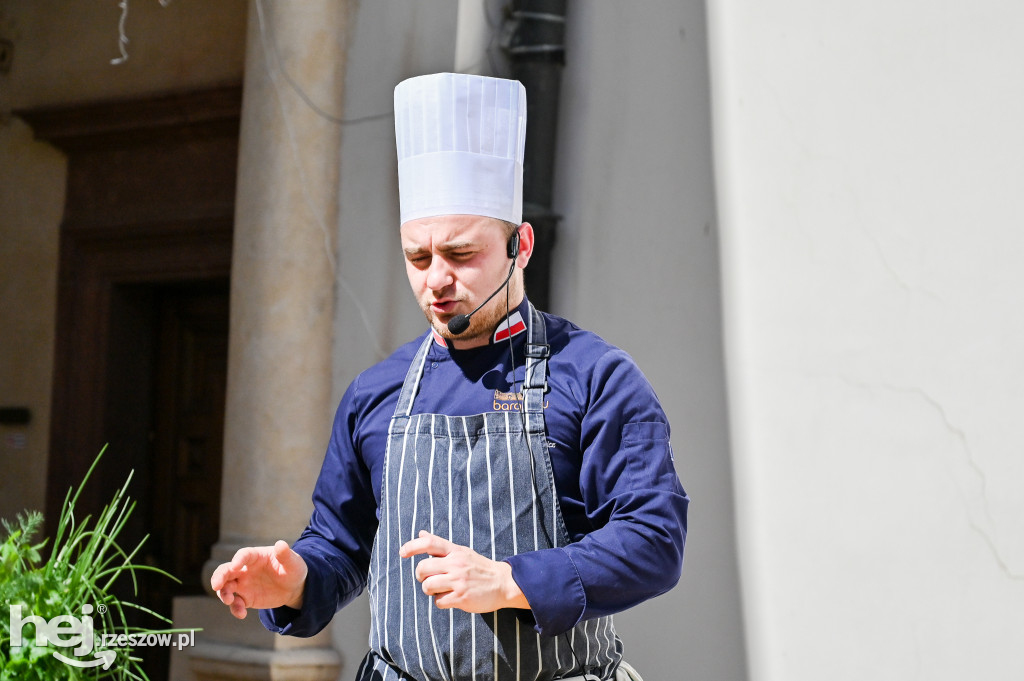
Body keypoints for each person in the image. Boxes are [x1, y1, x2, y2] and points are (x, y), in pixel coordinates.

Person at [211, 72, 688, 681]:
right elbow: (341, 546)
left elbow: (654, 541)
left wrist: (511, 581)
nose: (435, 279)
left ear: (522, 245)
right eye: (418, 256)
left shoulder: (595, 378)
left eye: (461, 254)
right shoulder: (375, 394)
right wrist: (293, 581)